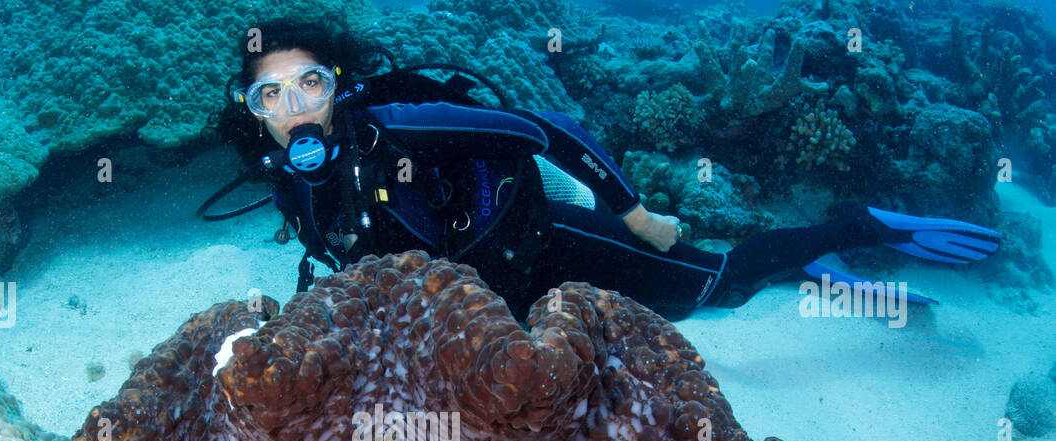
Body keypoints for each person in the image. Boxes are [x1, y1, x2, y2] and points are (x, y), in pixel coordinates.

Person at [208, 21, 1002, 319]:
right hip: (484, 301)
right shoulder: (283, 174)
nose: (295, 107)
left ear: (337, 82)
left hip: (543, 249)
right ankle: (806, 269)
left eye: (310, 81)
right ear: (253, 111)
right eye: (270, 94)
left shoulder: (402, 129)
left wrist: (638, 217)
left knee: (712, 285)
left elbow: (540, 129)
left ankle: (856, 232)